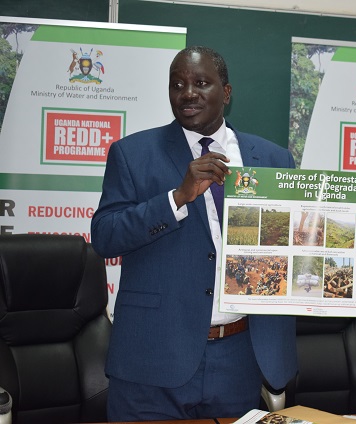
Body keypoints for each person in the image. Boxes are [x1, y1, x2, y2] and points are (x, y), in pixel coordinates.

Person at [91, 46, 297, 421]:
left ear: (227, 93)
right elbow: (106, 237)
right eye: (178, 85)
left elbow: (306, 241)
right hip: (152, 359)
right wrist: (177, 198)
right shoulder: (132, 153)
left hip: (239, 359)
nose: (188, 93)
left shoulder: (273, 160)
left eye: (201, 83)